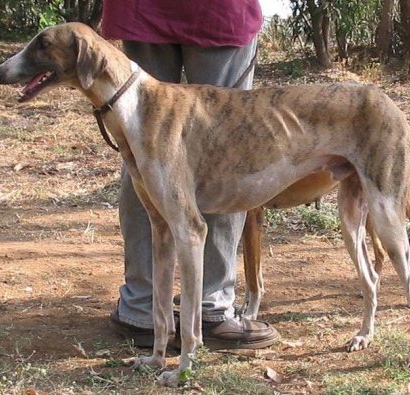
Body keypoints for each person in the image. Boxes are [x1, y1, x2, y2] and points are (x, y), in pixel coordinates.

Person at [100, 0, 280, 349]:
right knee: (228, 155)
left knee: (144, 155)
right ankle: (211, 310)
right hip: (219, 11)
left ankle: (143, 309)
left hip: (143, 10)